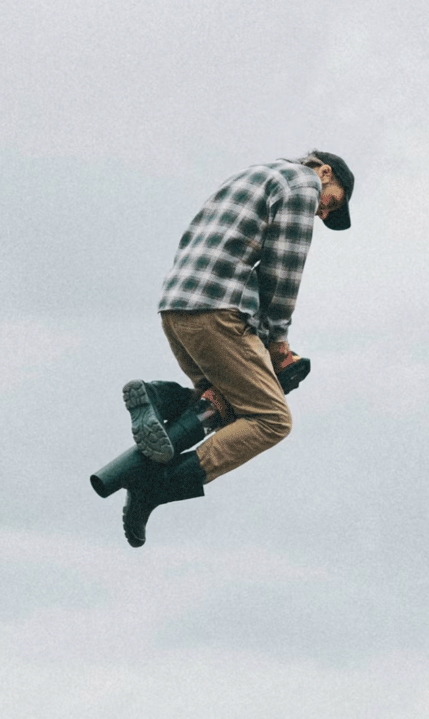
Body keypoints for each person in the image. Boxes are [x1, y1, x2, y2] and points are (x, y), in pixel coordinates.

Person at [117, 150, 355, 547]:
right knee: (271, 419)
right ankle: (157, 488)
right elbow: (283, 272)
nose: (323, 212)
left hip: (176, 306)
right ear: (326, 172)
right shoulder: (303, 185)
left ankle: (163, 399)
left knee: (218, 405)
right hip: (218, 311)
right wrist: (278, 344)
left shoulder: (252, 174)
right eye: (332, 203)